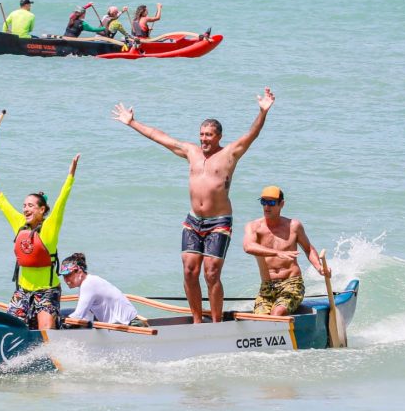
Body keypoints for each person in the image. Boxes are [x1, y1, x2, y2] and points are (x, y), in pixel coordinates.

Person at [112, 88, 276, 323]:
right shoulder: (191, 152)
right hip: (193, 221)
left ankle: (217, 324)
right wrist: (132, 122)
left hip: (218, 222)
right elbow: (161, 137)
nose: (204, 139)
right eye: (202, 134)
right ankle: (198, 322)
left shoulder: (230, 153)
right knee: (190, 271)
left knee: (211, 274)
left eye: (209, 135)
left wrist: (263, 112)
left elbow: (252, 134)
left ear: (218, 136)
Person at [0, 154, 80, 329]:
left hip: (48, 291)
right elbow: (1, 202)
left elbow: (61, 201)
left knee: (46, 333)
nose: (25, 209)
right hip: (22, 291)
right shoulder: (19, 224)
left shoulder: (50, 227)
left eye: (30, 206)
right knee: (10, 328)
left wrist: (70, 175)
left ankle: (50, 353)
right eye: (24, 205)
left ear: (41, 209)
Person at [243, 186, 330, 316]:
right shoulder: (254, 227)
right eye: (263, 202)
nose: (267, 207)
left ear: (281, 204)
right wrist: (277, 252)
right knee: (260, 318)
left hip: (292, 283)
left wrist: (319, 267)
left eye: (271, 203)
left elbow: (308, 248)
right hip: (267, 287)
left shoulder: (294, 226)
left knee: (277, 313)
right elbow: (248, 246)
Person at [59, 253, 145, 327]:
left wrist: (58, 321)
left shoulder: (88, 284)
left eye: (68, 275)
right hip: (122, 325)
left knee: (60, 315)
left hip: (131, 325)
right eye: (64, 276)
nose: (66, 280)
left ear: (80, 272)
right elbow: (87, 316)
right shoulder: (90, 281)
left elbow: (78, 316)